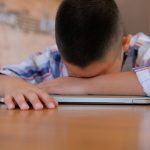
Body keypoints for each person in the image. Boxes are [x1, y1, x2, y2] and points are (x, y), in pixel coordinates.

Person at [0, 0, 150, 110]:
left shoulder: (140, 49)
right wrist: (13, 86)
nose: (77, 84)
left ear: (124, 44)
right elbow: (4, 78)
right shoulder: (54, 58)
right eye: (75, 77)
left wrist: (82, 85)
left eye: (100, 76)